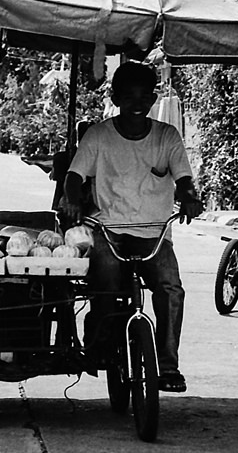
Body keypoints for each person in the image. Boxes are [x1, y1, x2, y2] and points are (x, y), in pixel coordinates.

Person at [61, 62, 203, 392]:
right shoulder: (99, 136)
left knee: (170, 289)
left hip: (153, 235)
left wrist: (190, 198)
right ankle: (99, 345)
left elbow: (184, 180)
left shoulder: (167, 137)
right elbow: (73, 177)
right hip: (108, 231)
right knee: (106, 283)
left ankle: (168, 366)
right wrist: (71, 200)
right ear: (115, 98)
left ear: (154, 98)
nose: (137, 104)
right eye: (129, 97)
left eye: (144, 97)